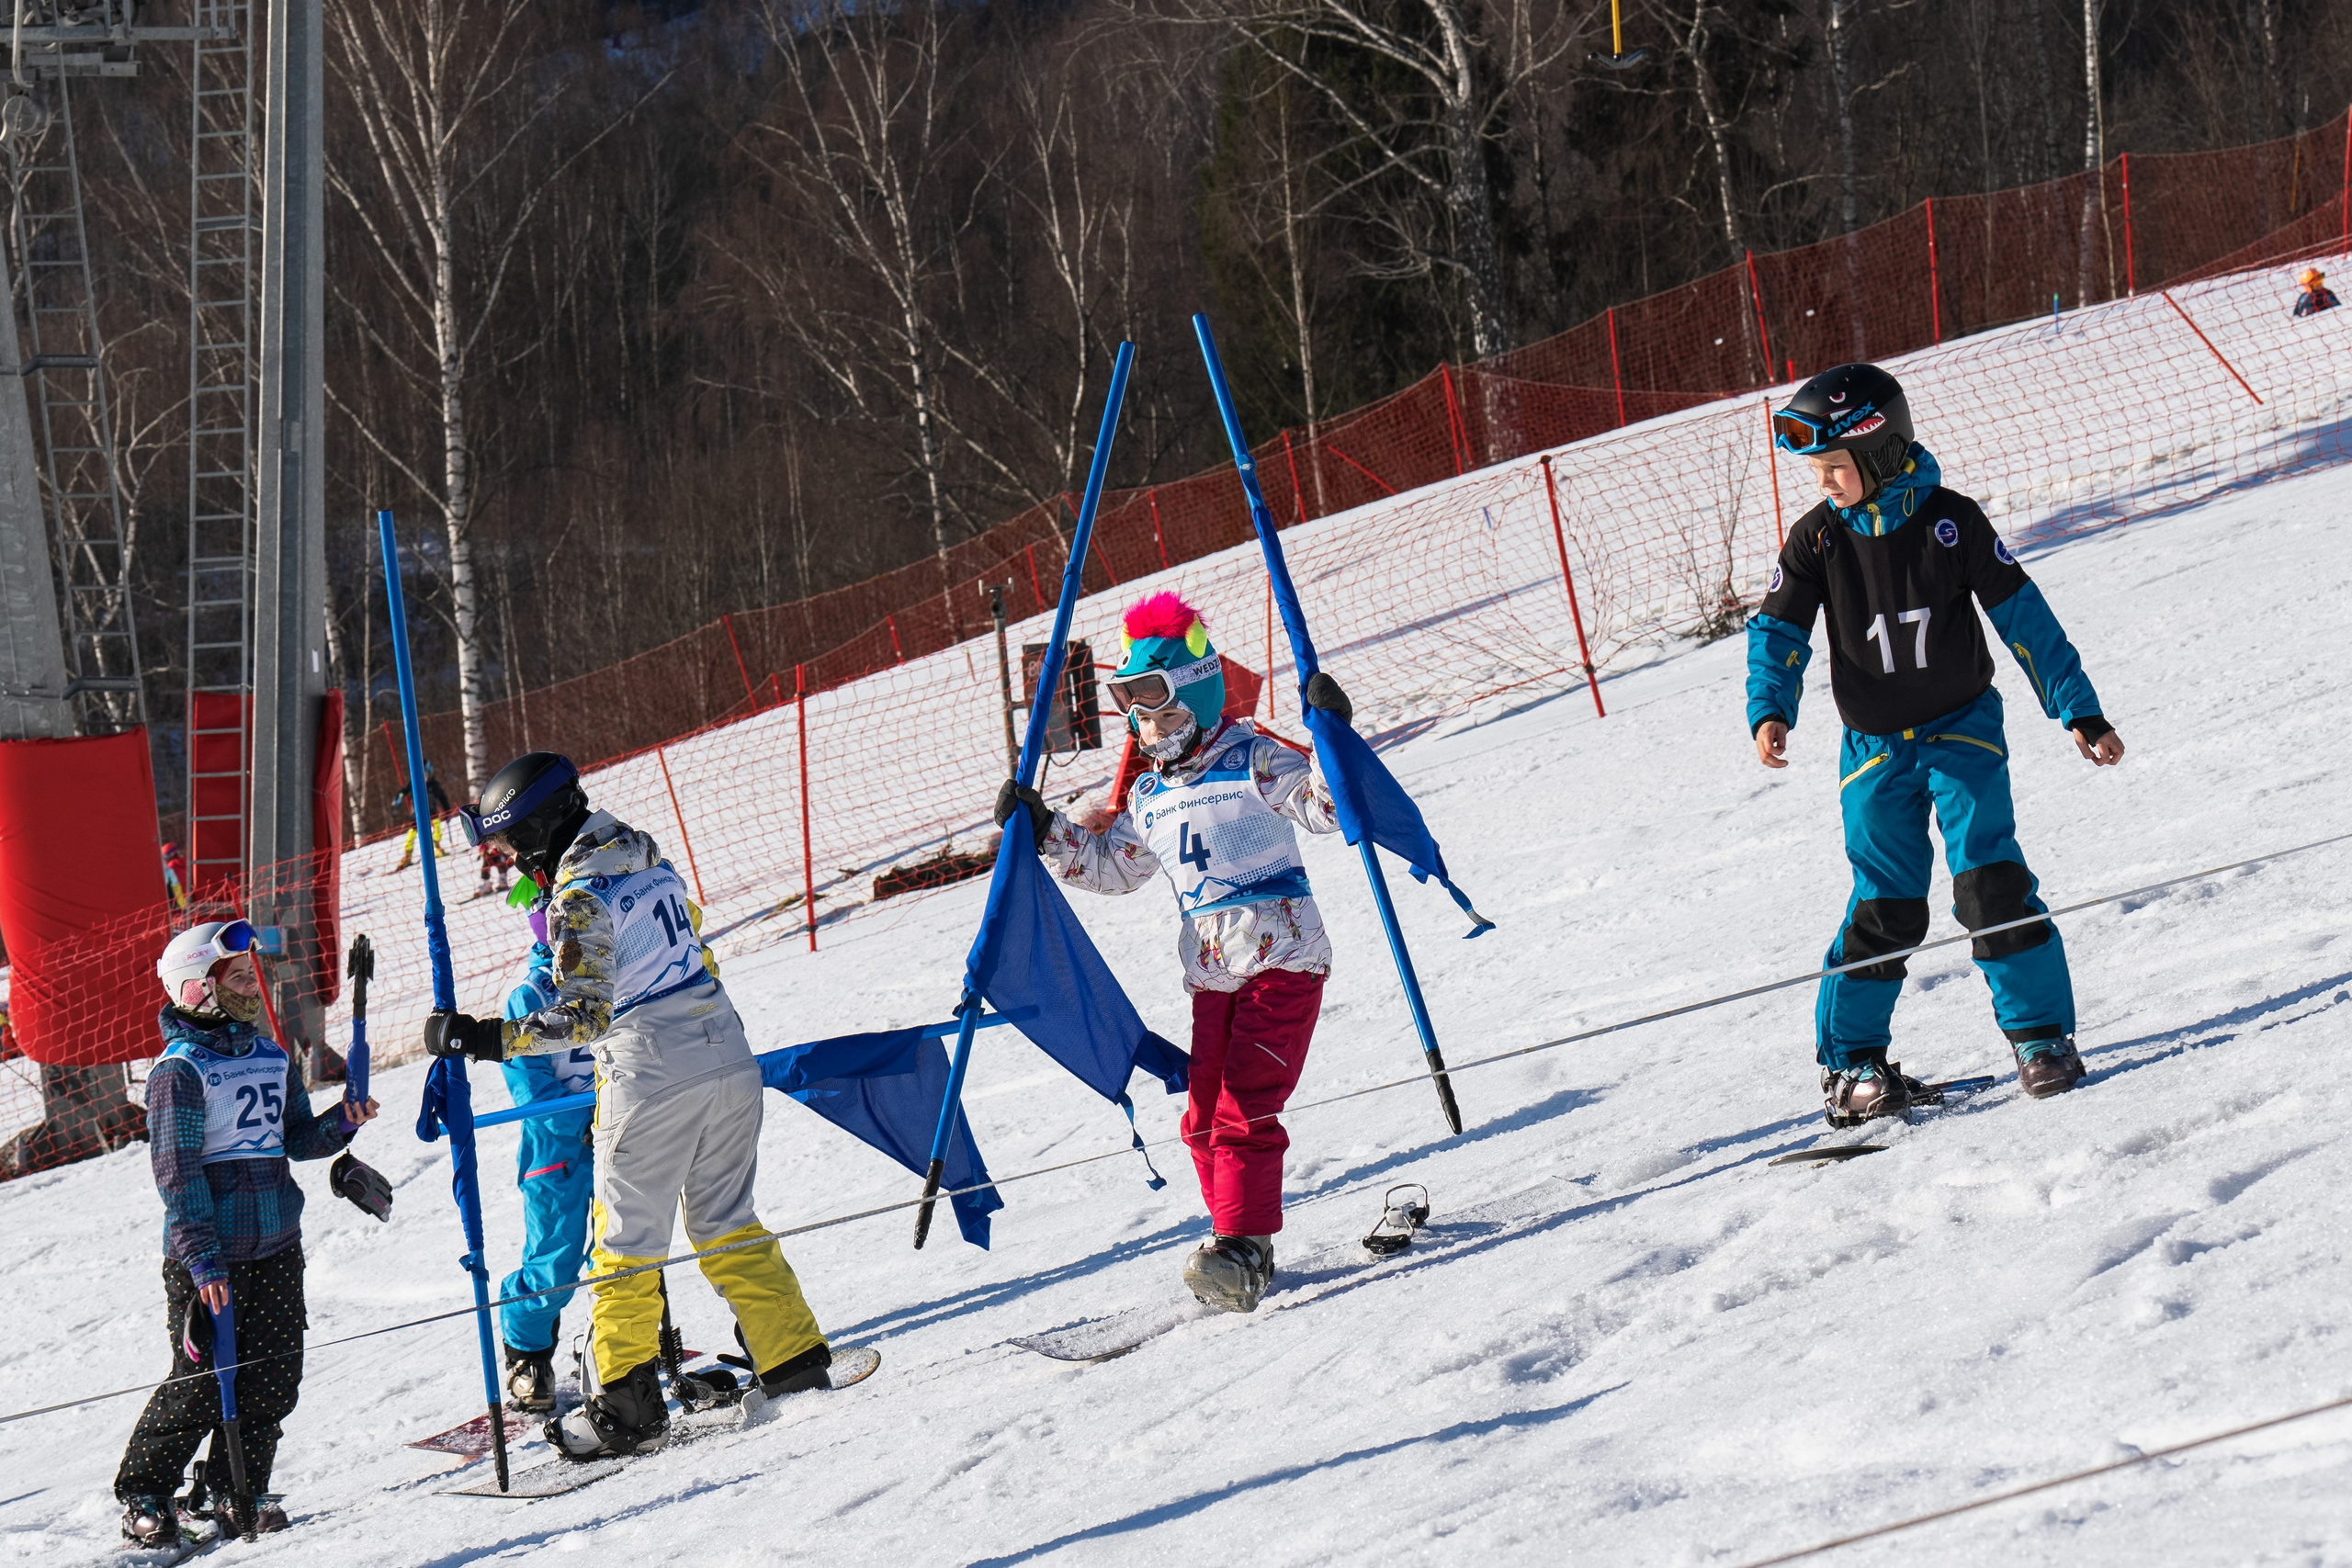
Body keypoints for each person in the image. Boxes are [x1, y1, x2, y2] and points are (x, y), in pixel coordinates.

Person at [422, 752, 835, 1460]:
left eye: (519, 842)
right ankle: (793, 1357)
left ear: (548, 825)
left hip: (651, 1070)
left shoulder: (579, 894)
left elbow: (583, 1018)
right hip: (725, 1049)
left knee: (624, 1245)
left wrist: (481, 1036)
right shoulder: (649, 860)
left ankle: (623, 1403)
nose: (518, 862)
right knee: (725, 1219)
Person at [1749, 363, 2125, 1127]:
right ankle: (1851, 1065)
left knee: (1990, 881)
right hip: (1875, 751)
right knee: (1886, 905)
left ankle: (2041, 1038)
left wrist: (2079, 711)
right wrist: (1771, 707)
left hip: (1962, 735)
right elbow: (1780, 629)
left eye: (1833, 467)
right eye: (1815, 470)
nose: (1823, 482)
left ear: (1881, 453)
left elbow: (2025, 620)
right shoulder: (1818, 540)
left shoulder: (1954, 523)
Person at [995, 592, 1346, 1314]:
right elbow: (1115, 868)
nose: (1152, 728)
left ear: (1199, 694)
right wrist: (1044, 830)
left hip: (1283, 960)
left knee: (1247, 1106)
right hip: (1213, 973)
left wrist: (1334, 741)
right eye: (1139, 713)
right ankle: (1232, 1236)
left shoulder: (1254, 758)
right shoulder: (1151, 792)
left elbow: (1325, 808)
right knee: (1203, 1113)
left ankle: (1245, 1243)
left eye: (1165, 710)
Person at [115, 919, 386, 1547]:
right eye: (236, 976)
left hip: (276, 1245)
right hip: (210, 1254)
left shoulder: (269, 1055)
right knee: (206, 1379)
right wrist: (203, 1261)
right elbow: (177, 1176)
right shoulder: (178, 1072)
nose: (249, 985)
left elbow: (294, 1138)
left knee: (272, 1375)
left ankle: (237, 1486)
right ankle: (146, 1492)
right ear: (196, 987)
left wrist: (342, 1123)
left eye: (249, 974)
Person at [493, 905, 598, 1413]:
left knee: (628, 1244)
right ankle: (528, 1353)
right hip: (559, 1148)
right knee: (556, 1260)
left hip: (623, 1131)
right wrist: (584, 1124)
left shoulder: (616, 976)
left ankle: (623, 1342)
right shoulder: (531, 997)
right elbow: (530, 1090)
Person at [390, 761, 453, 872]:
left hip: (432, 813)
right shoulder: (413, 784)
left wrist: (447, 812)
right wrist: (398, 799)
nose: (425, 778)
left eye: (426, 774)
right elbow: (402, 792)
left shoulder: (434, 785)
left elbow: (443, 798)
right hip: (416, 816)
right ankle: (407, 856)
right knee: (411, 835)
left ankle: (437, 847)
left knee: (436, 829)